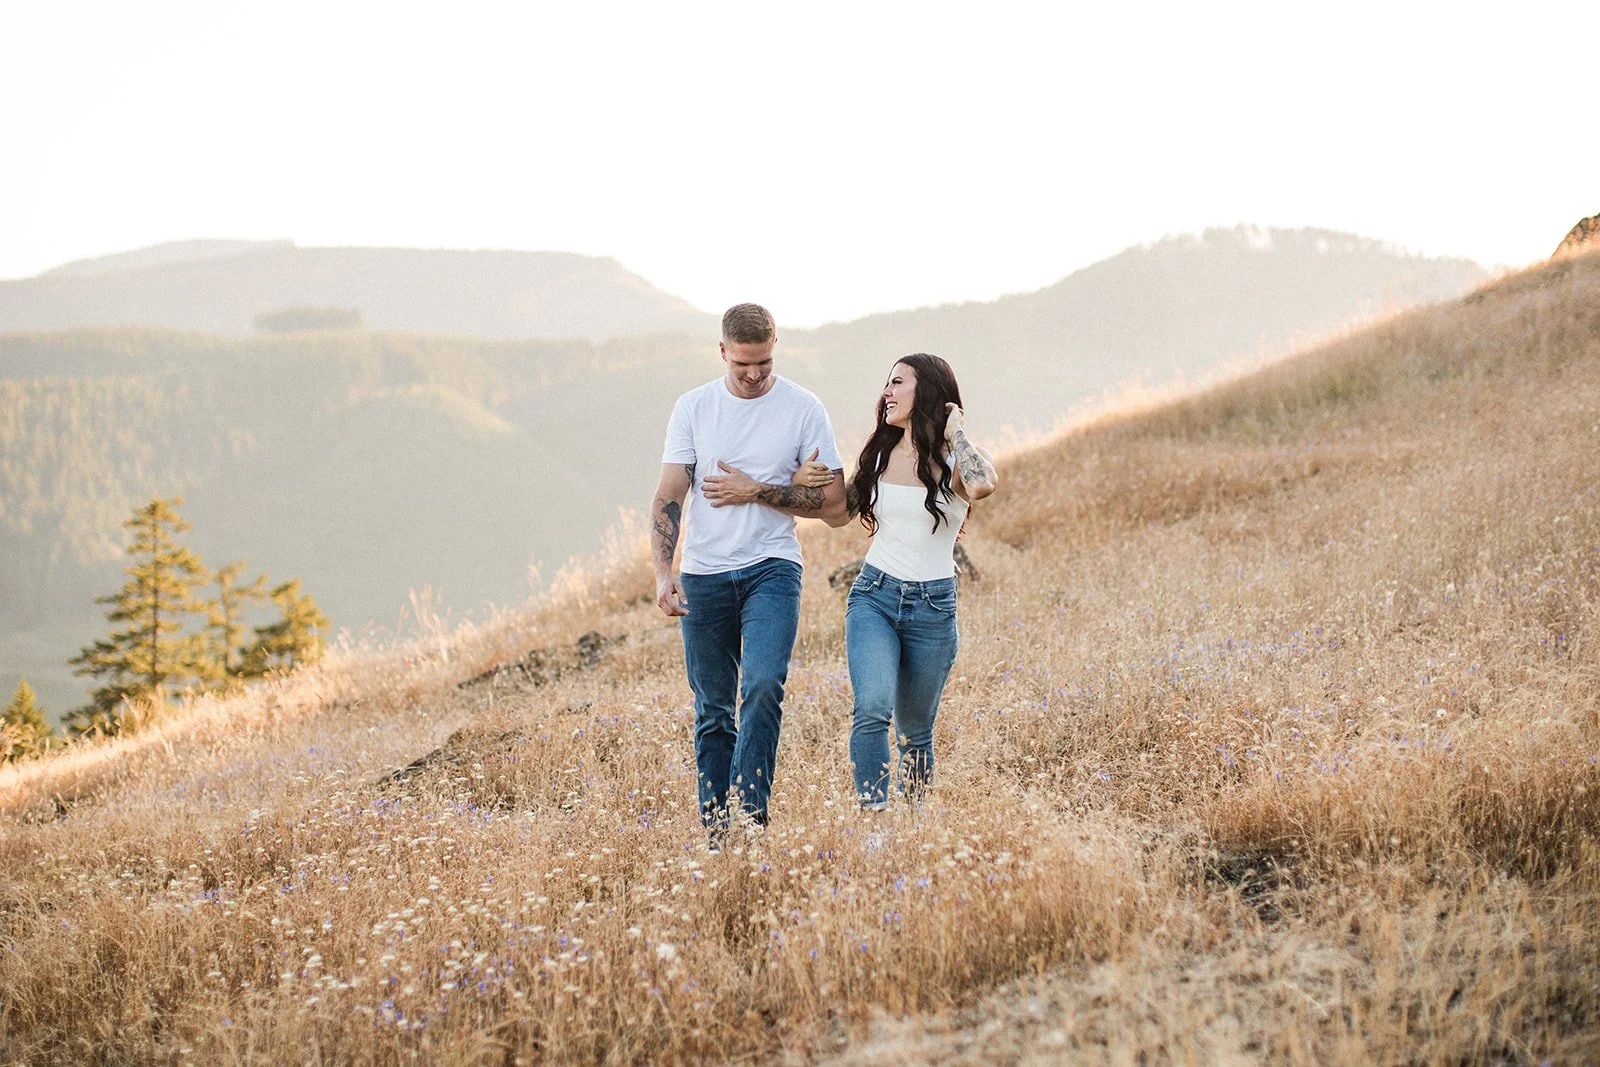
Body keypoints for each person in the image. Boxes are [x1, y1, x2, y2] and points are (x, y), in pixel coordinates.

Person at [722, 353, 999, 810]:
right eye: (885, 383)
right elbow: (834, 514)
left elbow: (984, 484)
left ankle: (913, 824)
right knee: (871, 710)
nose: (886, 393)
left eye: (897, 383)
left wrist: (955, 431)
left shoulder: (957, 459)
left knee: (916, 733)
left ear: (927, 391)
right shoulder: (880, 454)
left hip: (933, 608)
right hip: (875, 598)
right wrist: (770, 487)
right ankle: (874, 826)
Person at [649, 303, 846, 843]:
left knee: (762, 685)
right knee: (713, 708)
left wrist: (758, 489)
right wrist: (664, 572)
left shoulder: (804, 409)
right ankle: (717, 836)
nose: (755, 374)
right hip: (705, 576)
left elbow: (835, 508)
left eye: (764, 362)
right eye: (743, 366)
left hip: (772, 570)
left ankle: (750, 821)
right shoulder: (693, 409)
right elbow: (669, 495)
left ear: (774, 348)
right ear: (722, 353)